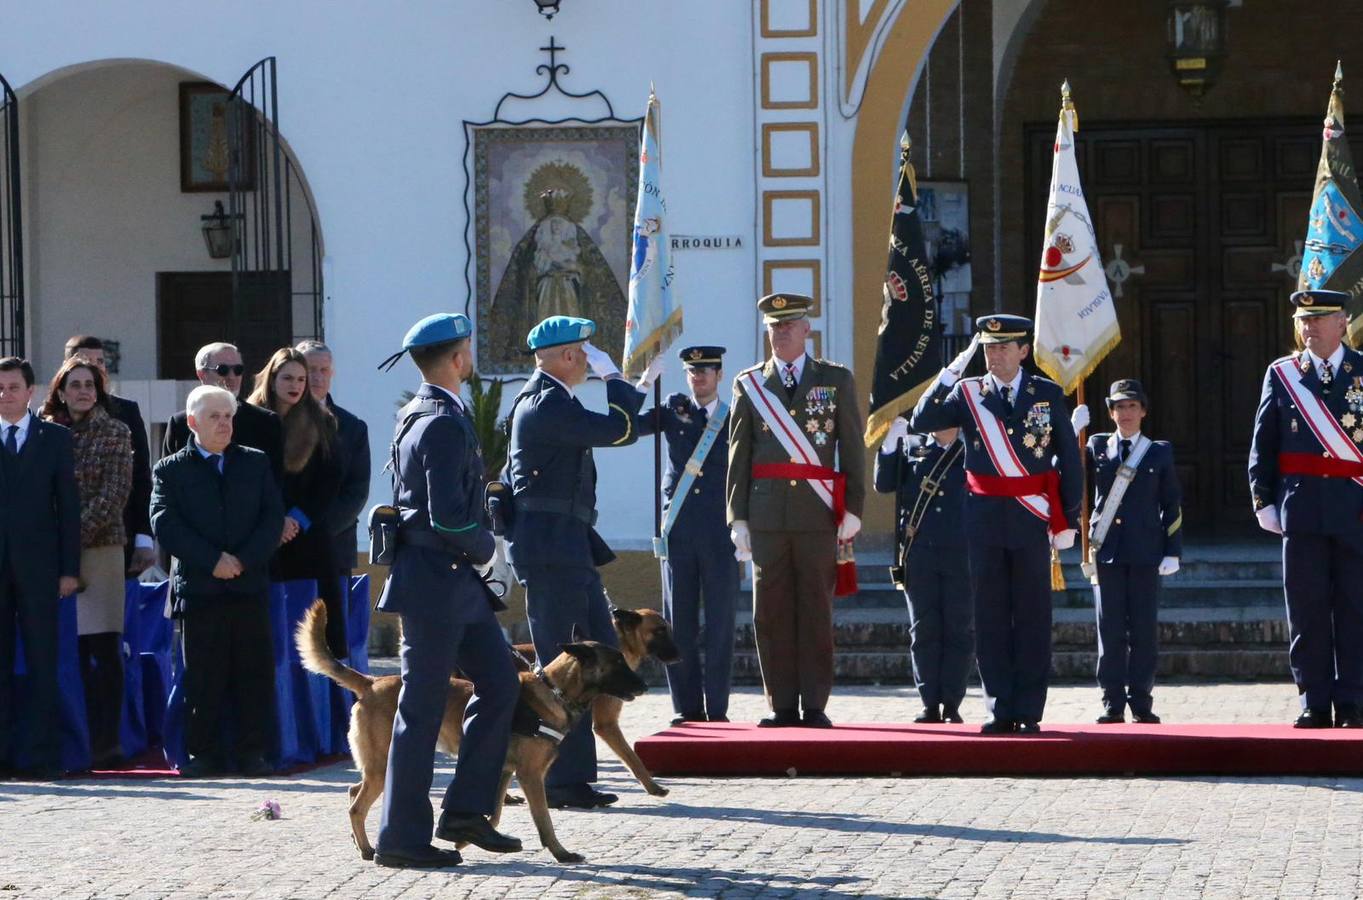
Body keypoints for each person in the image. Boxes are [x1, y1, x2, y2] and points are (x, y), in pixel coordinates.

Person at [374, 313, 520, 869]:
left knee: (501, 684)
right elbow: (449, 518)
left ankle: (464, 811)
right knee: (421, 706)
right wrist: (490, 550)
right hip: (438, 582)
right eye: (467, 348)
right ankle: (401, 838)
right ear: (456, 359)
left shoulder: (427, 413)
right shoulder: (437, 421)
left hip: (455, 586)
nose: (471, 355)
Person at [502, 315, 651, 808]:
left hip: (567, 543)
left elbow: (620, 428)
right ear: (567, 356)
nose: (589, 359)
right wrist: (616, 381)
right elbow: (619, 429)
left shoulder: (554, 401)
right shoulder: (545, 405)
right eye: (585, 352)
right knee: (568, 665)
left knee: (599, 653)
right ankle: (560, 778)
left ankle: (574, 774)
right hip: (551, 549)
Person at [911, 315, 1081, 734]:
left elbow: (1070, 461)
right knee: (988, 617)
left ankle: (1029, 707)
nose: (995, 354)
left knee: (1032, 616)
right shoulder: (967, 393)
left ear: (1023, 351)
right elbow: (922, 419)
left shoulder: (1046, 393)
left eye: (1004, 347)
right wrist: (952, 370)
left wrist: (1068, 517)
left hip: (1030, 518)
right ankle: (998, 707)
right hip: (982, 521)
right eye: (988, 347)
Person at [727, 293, 866, 729]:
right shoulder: (749, 384)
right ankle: (781, 703)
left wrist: (855, 508)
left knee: (814, 609)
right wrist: (738, 518)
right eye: (773, 326)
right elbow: (738, 456)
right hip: (767, 517)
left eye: (789, 325)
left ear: (808, 329)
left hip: (816, 514)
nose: (781, 332)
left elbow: (853, 448)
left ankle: (816, 704)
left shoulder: (836, 380)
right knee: (769, 611)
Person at [150, 385, 283, 777]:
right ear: (193, 422)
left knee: (253, 673)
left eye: (228, 416)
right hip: (201, 588)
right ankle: (203, 753)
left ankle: (251, 753)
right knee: (203, 677)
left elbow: (271, 518)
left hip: (248, 584)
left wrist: (242, 560)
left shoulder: (255, 463)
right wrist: (213, 561)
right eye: (214, 417)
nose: (224, 423)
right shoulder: (171, 469)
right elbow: (164, 523)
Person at [1248, 289, 1363, 729]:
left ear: (1343, 322)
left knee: (1356, 607)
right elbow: (1264, 441)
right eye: (1303, 319)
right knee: (1307, 609)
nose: (1309, 327)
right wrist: (1263, 499)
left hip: (1355, 509)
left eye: (1319, 318)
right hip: (1303, 510)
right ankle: (1313, 699)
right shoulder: (1283, 374)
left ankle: (1352, 699)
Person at [635, 345, 738, 725]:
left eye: (707, 370)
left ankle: (718, 708)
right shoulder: (672, 411)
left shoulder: (733, 418)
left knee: (721, 624)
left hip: (720, 533)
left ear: (719, 374)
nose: (699, 377)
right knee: (677, 624)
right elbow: (629, 425)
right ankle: (687, 707)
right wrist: (643, 384)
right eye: (693, 371)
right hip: (678, 532)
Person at [39, 357, 133, 767]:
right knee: (63, 650)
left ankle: (106, 743)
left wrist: (67, 542)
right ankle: (65, 740)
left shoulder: (115, 431)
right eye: (74, 385)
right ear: (60, 390)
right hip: (46, 554)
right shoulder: (44, 433)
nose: (82, 392)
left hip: (99, 550)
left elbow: (112, 497)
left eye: (90, 385)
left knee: (103, 651)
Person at [1077, 379, 1182, 725]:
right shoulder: (1095, 446)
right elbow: (1070, 476)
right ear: (1110, 412)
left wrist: (1172, 550)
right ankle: (1112, 703)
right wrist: (1069, 431)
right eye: (1119, 407)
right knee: (1110, 632)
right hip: (1107, 551)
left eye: (1132, 406)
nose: (1126, 413)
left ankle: (1141, 701)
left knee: (1142, 631)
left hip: (1145, 551)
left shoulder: (1158, 451)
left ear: (1144, 411)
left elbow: (1171, 503)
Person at [0, 357, 80, 778]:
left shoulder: (54, 438)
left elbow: (68, 508)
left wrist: (69, 569)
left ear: (30, 392)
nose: (5, 395)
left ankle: (41, 756)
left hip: (40, 568)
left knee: (42, 661)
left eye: (12, 387)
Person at [247, 348, 347, 657]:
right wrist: (273, 522)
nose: (296, 385)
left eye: (301, 379)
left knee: (318, 637)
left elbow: (329, 483)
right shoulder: (248, 419)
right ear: (272, 379)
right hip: (262, 537)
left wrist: (295, 521)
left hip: (308, 538)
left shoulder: (322, 422)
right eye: (288, 377)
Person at [874, 420, 971, 724]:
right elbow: (884, 483)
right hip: (920, 552)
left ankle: (953, 702)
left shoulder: (972, 448)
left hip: (962, 551)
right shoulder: (913, 447)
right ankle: (930, 701)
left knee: (958, 629)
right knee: (923, 628)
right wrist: (890, 444)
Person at [63, 336, 155, 576]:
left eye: (101, 361)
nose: (96, 367)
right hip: (56, 543)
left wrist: (144, 538)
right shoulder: (49, 418)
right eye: (87, 360)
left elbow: (141, 476)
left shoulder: (125, 413)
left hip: (114, 537)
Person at [297, 340, 371, 584]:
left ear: (332, 373)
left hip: (333, 548)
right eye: (310, 369)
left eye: (323, 370)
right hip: (283, 549)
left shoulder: (352, 428)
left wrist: (316, 531)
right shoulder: (274, 420)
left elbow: (356, 492)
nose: (317, 377)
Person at [163, 342, 283, 482]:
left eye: (238, 370)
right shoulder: (180, 424)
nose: (231, 376)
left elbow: (274, 486)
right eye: (223, 370)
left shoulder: (266, 422)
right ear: (202, 374)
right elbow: (168, 482)